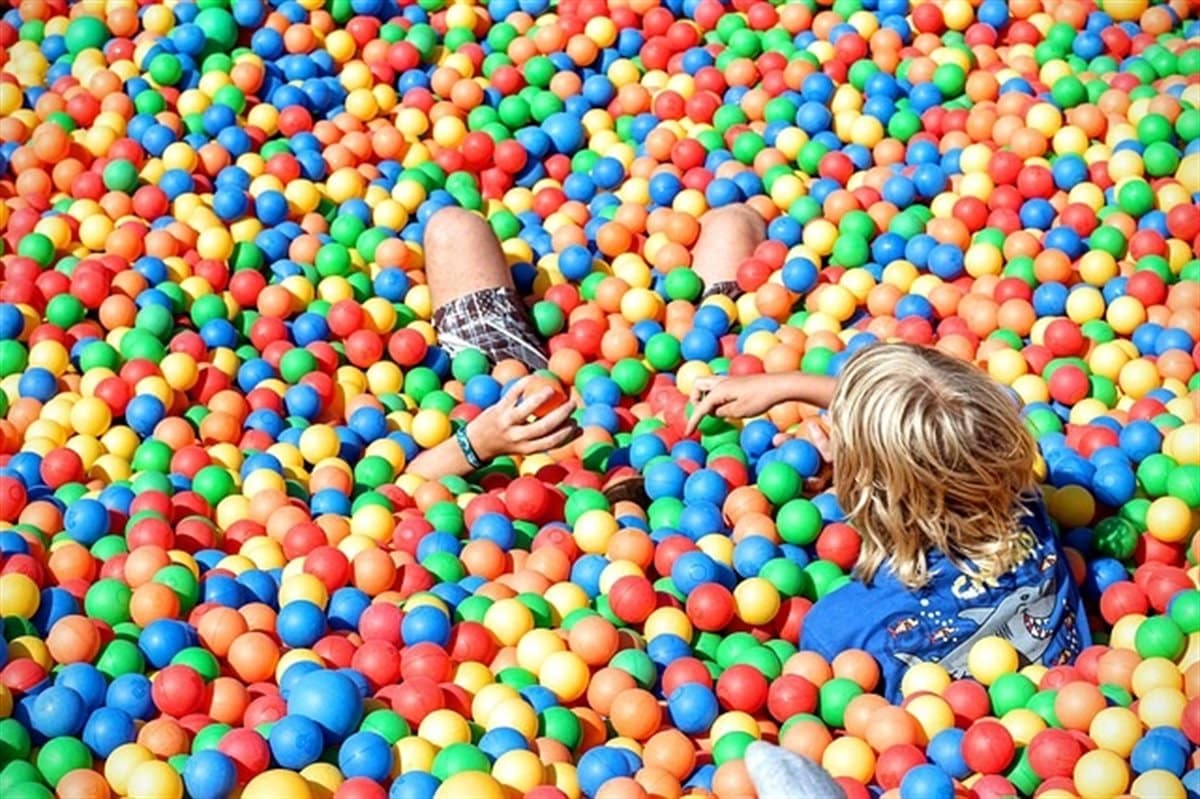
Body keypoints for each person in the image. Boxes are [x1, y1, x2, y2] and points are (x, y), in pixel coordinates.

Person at [686, 342, 1091, 701]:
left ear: (869, 496)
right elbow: (952, 416)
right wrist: (787, 386)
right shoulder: (1023, 500)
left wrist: (847, 474)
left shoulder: (841, 630)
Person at [407, 202, 766, 480]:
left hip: (511, 407)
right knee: (736, 220)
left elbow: (398, 489)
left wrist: (480, 441)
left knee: (451, 227)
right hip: (695, 387)